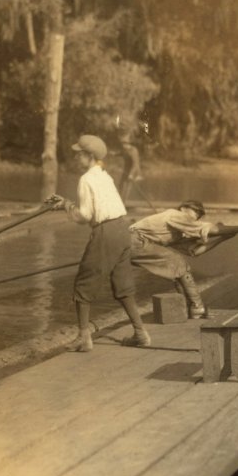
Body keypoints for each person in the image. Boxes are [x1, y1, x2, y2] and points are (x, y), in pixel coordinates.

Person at [46, 134, 151, 352]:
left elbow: (85, 215)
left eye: (79, 154)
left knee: (83, 285)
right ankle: (141, 333)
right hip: (123, 229)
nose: (76, 158)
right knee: (123, 286)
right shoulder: (105, 176)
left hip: (106, 233)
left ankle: (84, 339)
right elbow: (98, 207)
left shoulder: (85, 179)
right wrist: (67, 203)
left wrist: (66, 207)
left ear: (89, 156)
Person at [129, 200, 238, 319]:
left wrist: (223, 237)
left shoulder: (175, 232)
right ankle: (197, 307)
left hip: (136, 244)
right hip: (133, 240)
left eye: (199, 215)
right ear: (183, 208)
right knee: (177, 262)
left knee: (177, 268)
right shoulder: (175, 214)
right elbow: (207, 229)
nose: (197, 216)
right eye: (195, 212)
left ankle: (188, 308)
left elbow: (194, 251)